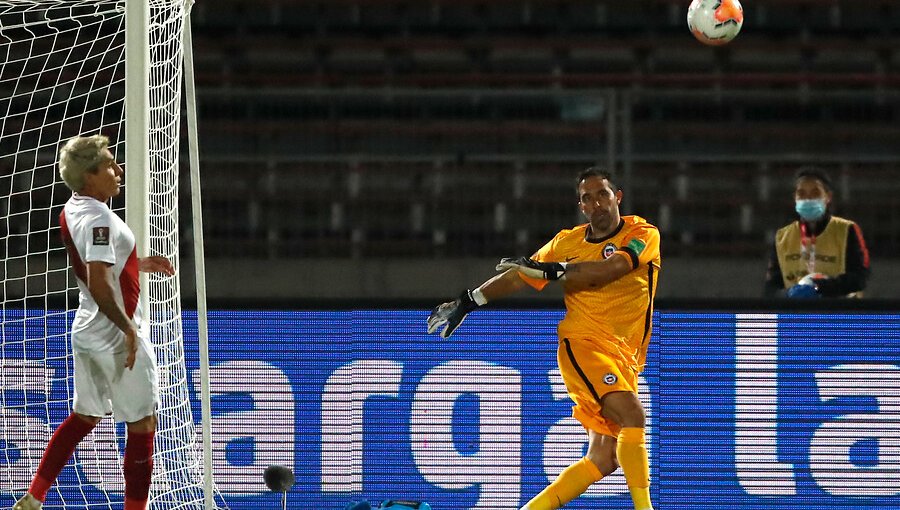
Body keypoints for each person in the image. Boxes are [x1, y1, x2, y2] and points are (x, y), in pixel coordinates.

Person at [427, 168, 660, 510]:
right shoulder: (566, 242)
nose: (596, 203)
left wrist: (557, 270)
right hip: (584, 346)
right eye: (587, 198)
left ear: (618, 197)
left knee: (603, 458)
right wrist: (468, 300)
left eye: (602, 194)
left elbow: (614, 269)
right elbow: (521, 276)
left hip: (626, 357)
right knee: (632, 416)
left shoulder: (642, 232)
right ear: (581, 206)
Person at [14, 135, 174, 510]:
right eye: (109, 165)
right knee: (142, 425)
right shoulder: (99, 218)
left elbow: (97, 267)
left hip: (86, 329)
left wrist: (137, 263)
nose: (118, 171)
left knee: (85, 415)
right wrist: (128, 329)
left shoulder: (72, 208)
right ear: (88, 176)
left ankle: (34, 497)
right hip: (113, 336)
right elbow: (101, 281)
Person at [764, 167, 870, 298]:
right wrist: (788, 295)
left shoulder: (848, 230)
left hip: (840, 314)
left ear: (828, 197)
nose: (808, 199)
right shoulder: (782, 237)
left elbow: (859, 278)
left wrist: (819, 287)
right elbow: (771, 287)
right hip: (797, 315)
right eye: (801, 194)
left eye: (815, 193)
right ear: (795, 198)